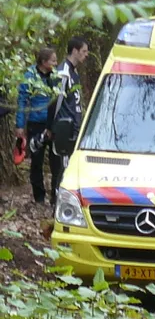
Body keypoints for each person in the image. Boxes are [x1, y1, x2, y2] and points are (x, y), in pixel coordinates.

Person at [14, 47, 60, 204]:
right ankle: (39, 197)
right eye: (53, 60)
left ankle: (55, 195)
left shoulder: (56, 76)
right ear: (44, 62)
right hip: (36, 124)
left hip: (53, 124)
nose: (56, 63)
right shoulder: (30, 76)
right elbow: (22, 101)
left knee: (56, 161)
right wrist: (20, 125)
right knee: (37, 162)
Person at [50, 36, 89, 203]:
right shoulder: (63, 72)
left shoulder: (75, 72)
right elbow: (55, 102)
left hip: (75, 126)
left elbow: (76, 101)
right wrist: (53, 128)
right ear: (74, 50)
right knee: (62, 166)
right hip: (64, 128)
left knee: (72, 165)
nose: (86, 55)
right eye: (84, 51)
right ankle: (56, 199)